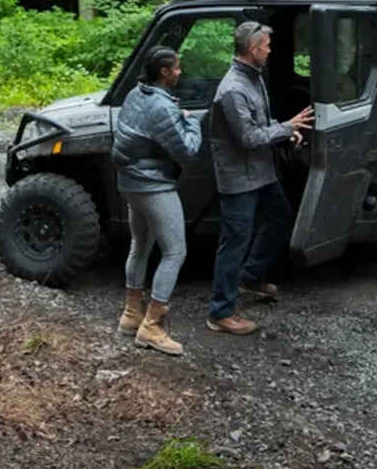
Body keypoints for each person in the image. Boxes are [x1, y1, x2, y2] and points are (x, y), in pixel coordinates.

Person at [206, 21, 313, 336]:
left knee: (280, 218)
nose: (269, 49)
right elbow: (248, 137)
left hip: (261, 173)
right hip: (239, 179)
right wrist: (286, 127)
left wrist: (286, 132)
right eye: (266, 45)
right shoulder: (232, 89)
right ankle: (220, 313)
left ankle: (251, 277)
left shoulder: (253, 79)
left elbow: (260, 124)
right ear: (253, 49)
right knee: (233, 242)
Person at [112, 45, 204, 355]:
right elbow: (188, 153)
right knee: (175, 251)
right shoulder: (163, 109)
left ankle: (130, 315)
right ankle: (152, 327)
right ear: (164, 72)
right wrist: (192, 122)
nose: (180, 72)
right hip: (154, 187)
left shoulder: (135, 95)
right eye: (176, 68)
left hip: (128, 183)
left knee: (140, 245)